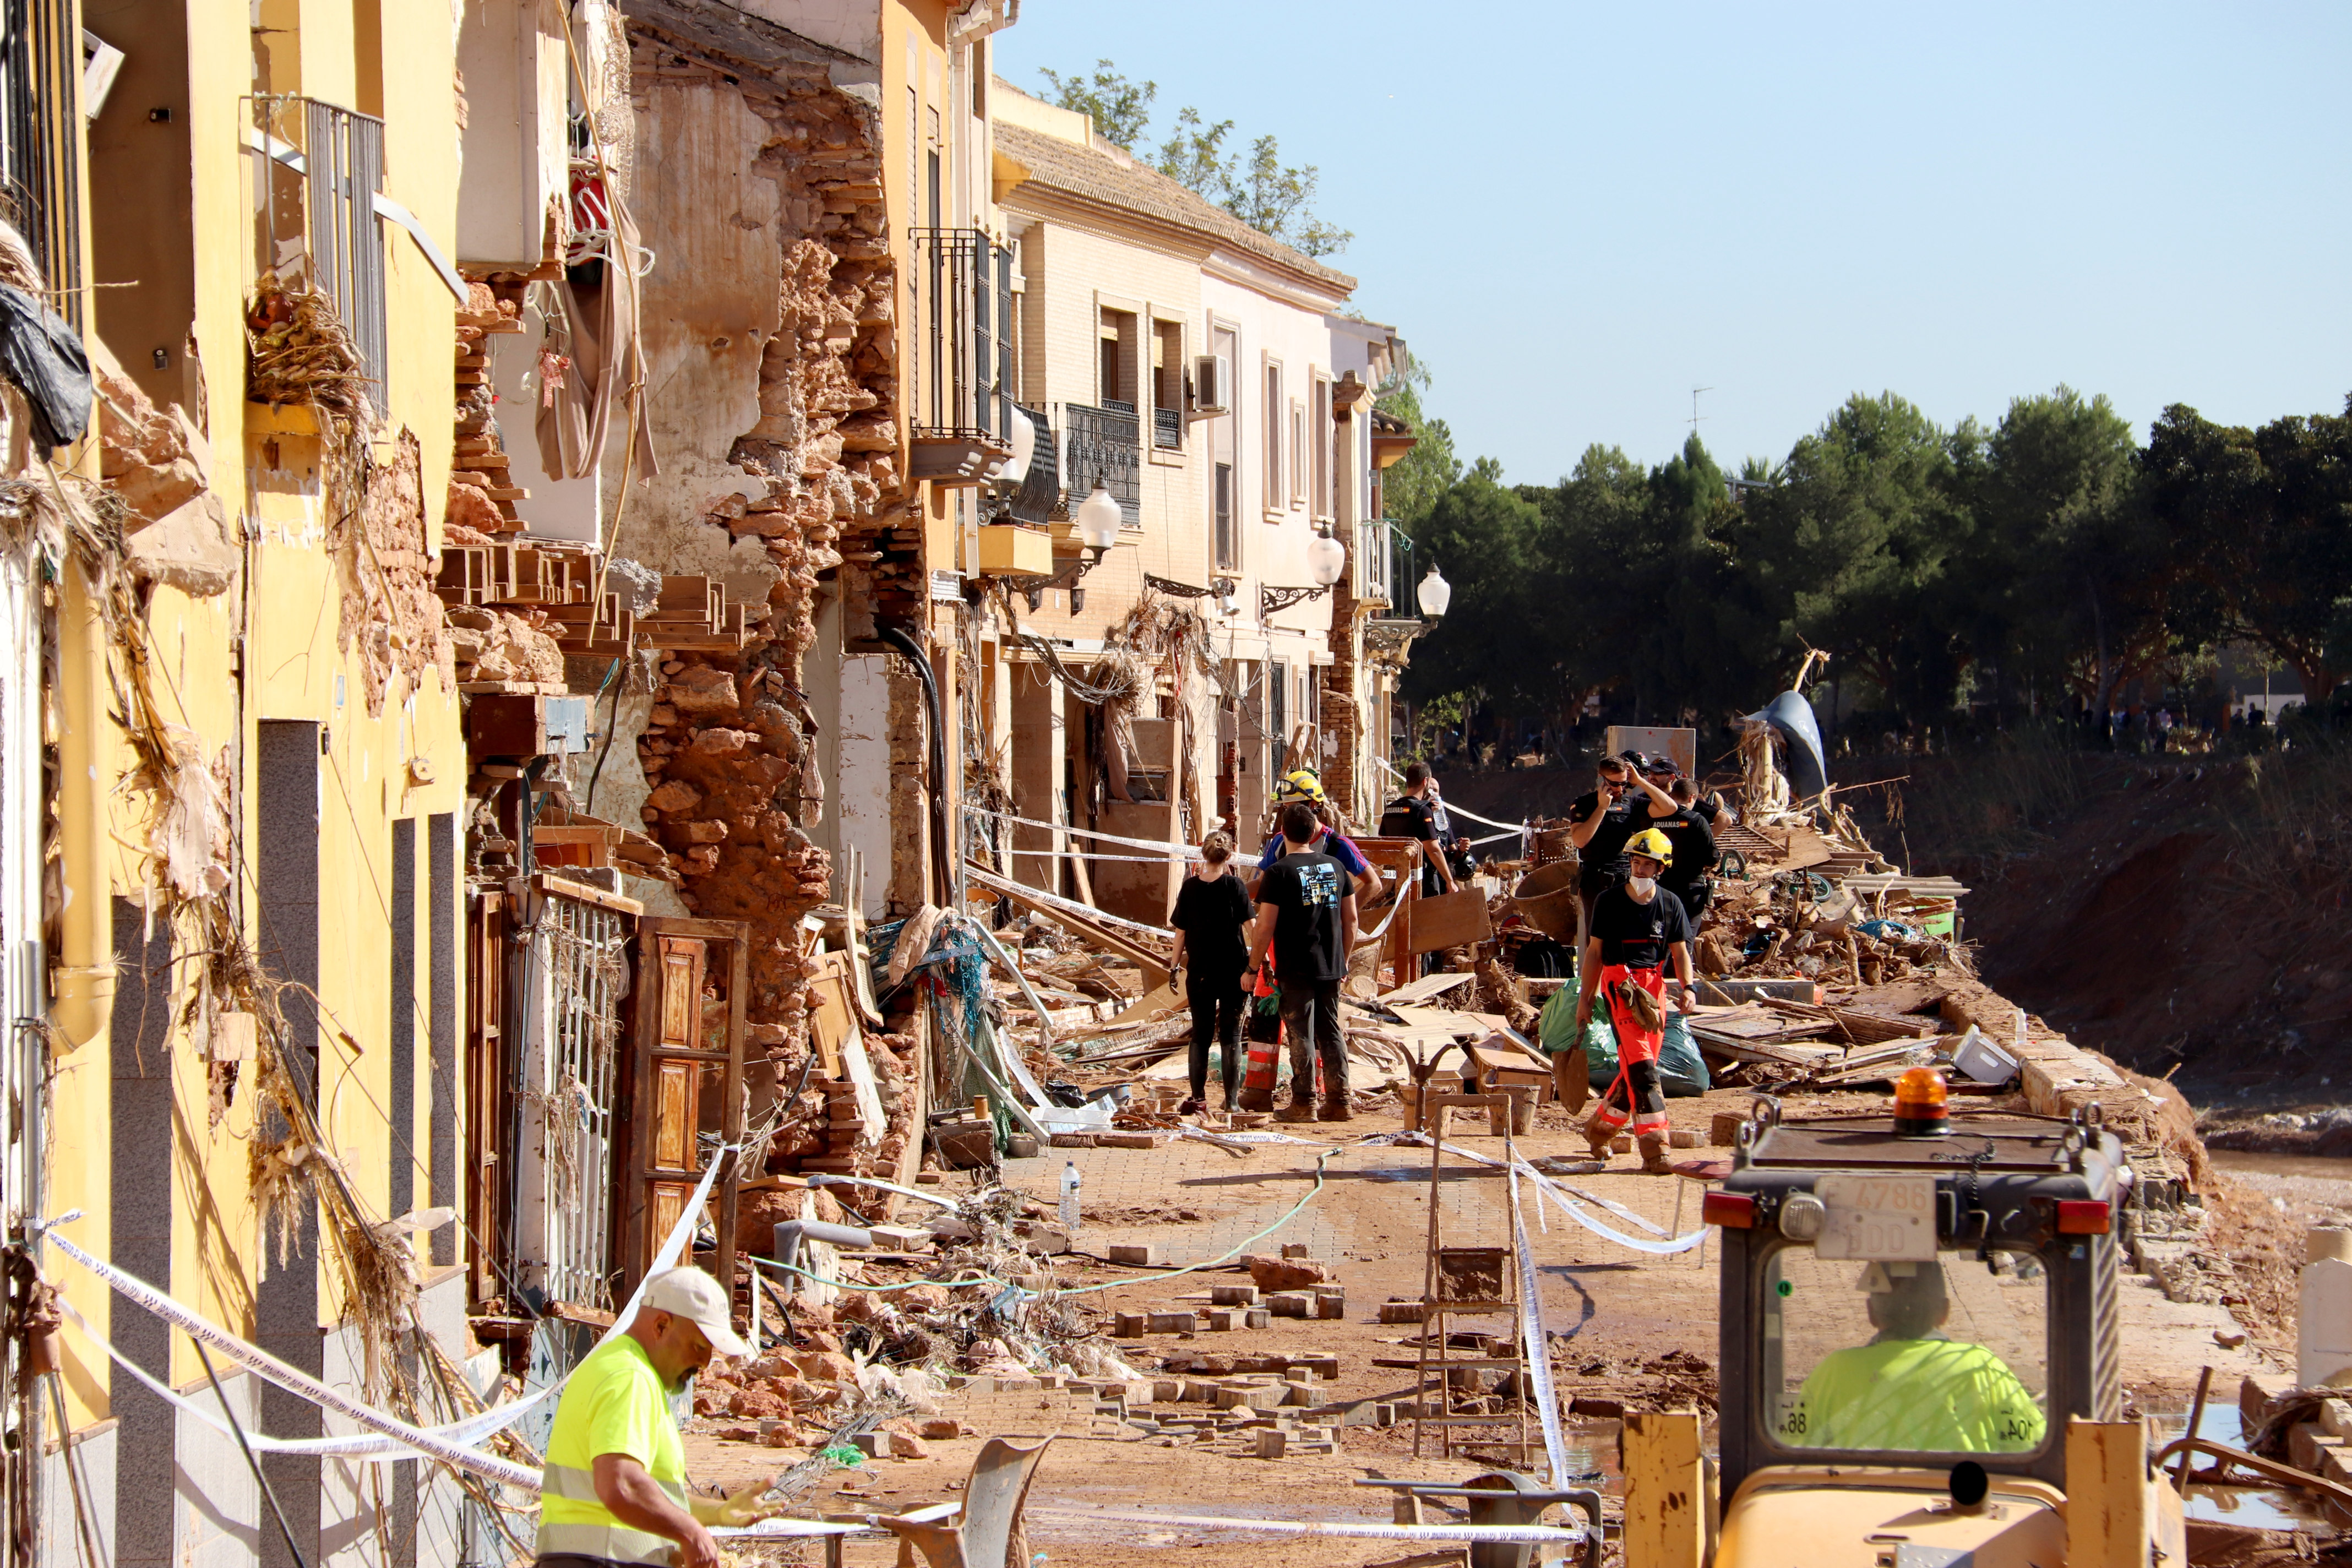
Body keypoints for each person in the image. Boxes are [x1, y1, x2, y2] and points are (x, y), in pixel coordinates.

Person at [537, 1266, 775, 1568]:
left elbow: (653, 1497)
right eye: (699, 1346)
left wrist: (719, 1513)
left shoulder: (620, 1368)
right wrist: (690, 1532)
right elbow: (621, 1484)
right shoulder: (630, 1377)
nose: (705, 1362)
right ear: (661, 1326)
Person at [1787, 1261, 2047, 1453]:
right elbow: (2031, 1445)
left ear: (1871, 1314)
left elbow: (1791, 1453)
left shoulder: (1834, 1371)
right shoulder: (1982, 1367)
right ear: (1944, 1312)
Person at [1573, 827, 1696, 1174]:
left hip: (1654, 989)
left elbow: (1681, 952)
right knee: (1643, 1069)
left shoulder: (1670, 904)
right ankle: (1656, 1150)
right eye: (1636, 862)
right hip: (1620, 986)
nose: (1639, 870)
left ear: (1661, 869)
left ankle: (1599, 1130)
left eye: (1647, 865)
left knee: (1636, 1069)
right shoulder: (1609, 901)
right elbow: (1595, 953)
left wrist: (1689, 987)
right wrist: (1586, 999)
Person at [1243, 802, 1360, 1123]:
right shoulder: (1337, 867)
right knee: (1331, 1031)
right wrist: (1343, 961)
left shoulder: (1278, 873)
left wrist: (1253, 967)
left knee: (1301, 1033)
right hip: (1331, 965)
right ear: (1314, 832)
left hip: (1295, 966)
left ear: (1282, 834)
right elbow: (1351, 921)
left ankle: (1304, 1103)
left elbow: (1264, 926)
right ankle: (1339, 1101)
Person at [1168, 832, 1253, 1114]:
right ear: (1230, 856)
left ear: (1202, 855)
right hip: (1234, 971)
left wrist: (1173, 966)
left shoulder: (1190, 888)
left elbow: (1180, 934)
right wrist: (1260, 963)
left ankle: (1198, 1098)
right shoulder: (1235, 886)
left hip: (1200, 973)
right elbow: (1252, 928)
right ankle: (1232, 1102)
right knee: (1231, 1035)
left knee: (1200, 1034)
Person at [1566, 752, 1678, 950]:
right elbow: (1580, 841)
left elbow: (1670, 808)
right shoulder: (1585, 803)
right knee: (1598, 937)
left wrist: (1641, 782)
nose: (1620, 789)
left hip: (1626, 876)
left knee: (1629, 932)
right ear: (1602, 780)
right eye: (1615, 784)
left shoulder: (1631, 804)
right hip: (1596, 878)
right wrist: (1602, 808)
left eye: (1625, 784)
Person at [1251, 767, 1379, 904]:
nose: (1289, 815)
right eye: (1286, 809)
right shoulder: (1280, 841)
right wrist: (1232, 894)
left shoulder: (1338, 845)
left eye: (1293, 808)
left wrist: (1343, 917)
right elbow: (1260, 884)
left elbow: (1374, 883)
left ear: (1313, 805)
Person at [1379, 760, 1458, 897]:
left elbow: (1384, 842)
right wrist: (1449, 881)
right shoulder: (1422, 810)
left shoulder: (1390, 809)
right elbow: (1433, 850)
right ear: (1425, 781)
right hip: (1422, 881)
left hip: (1396, 880)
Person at [1648, 777, 1717, 924]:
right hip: (1690, 889)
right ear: (1692, 797)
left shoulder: (1654, 818)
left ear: (1672, 795)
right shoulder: (1697, 820)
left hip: (1661, 886)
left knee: (1663, 934)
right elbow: (1712, 858)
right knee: (1687, 937)